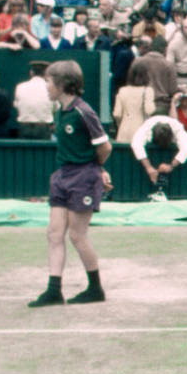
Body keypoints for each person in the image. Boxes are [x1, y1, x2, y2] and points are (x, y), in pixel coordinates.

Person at [28, 59, 111, 306]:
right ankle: (54, 290)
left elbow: (105, 147)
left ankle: (96, 288)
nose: (46, 87)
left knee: (76, 235)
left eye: (49, 82)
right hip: (62, 176)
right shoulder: (60, 111)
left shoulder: (84, 112)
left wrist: (94, 170)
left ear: (63, 84)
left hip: (82, 178)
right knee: (54, 233)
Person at [131, 114, 187, 198]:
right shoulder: (147, 126)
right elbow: (136, 144)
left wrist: (171, 166)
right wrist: (148, 168)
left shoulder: (177, 127)